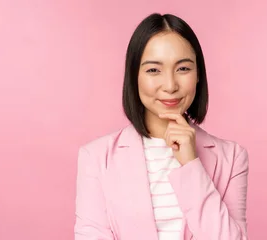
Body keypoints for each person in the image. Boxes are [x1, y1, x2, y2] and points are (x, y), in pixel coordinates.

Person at [74, 13, 249, 240]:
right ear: (134, 76)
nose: (170, 85)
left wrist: (190, 165)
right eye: (153, 70)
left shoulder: (232, 157)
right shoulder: (96, 157)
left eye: (183, 68)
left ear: (198, 75)